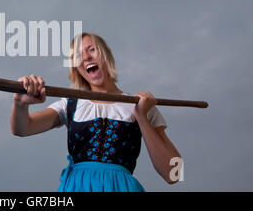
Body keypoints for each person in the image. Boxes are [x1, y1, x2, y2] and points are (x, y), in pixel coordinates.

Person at [10, 32, 181, 192]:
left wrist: (142, 117)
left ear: (106, 55)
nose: (86, 57)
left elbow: (174, 173)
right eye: (78, 56)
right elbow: (22, 129)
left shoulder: (142, 105)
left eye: (92, 49)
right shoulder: (69, 105)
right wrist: (20, 103)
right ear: (76, 67)